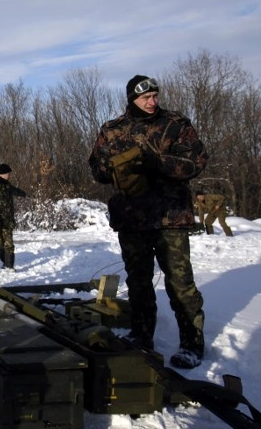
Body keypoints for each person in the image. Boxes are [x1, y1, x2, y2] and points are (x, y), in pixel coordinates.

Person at [89, 75, 209, 369]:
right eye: (146, 98)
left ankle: (191, 344)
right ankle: (142, 335)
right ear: (133, 99)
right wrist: (116, 166)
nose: (153, 102)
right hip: (132, 218)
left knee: (181, 283)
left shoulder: (175, 124)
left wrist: (159, 162)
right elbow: (97, 168)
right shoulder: (113, 130)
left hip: (170, 216)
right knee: (139, 281)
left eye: (155, 96)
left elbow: (197, 162)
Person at [0, 163, 27, 269]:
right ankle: (4, 262)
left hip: (7, 220)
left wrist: (24, 194)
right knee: (0, 243)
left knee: (9, 244)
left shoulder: (7, 184)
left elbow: (14, 190)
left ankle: (9, 266)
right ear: (3, 173)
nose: (9, 175)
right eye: (8, 173)